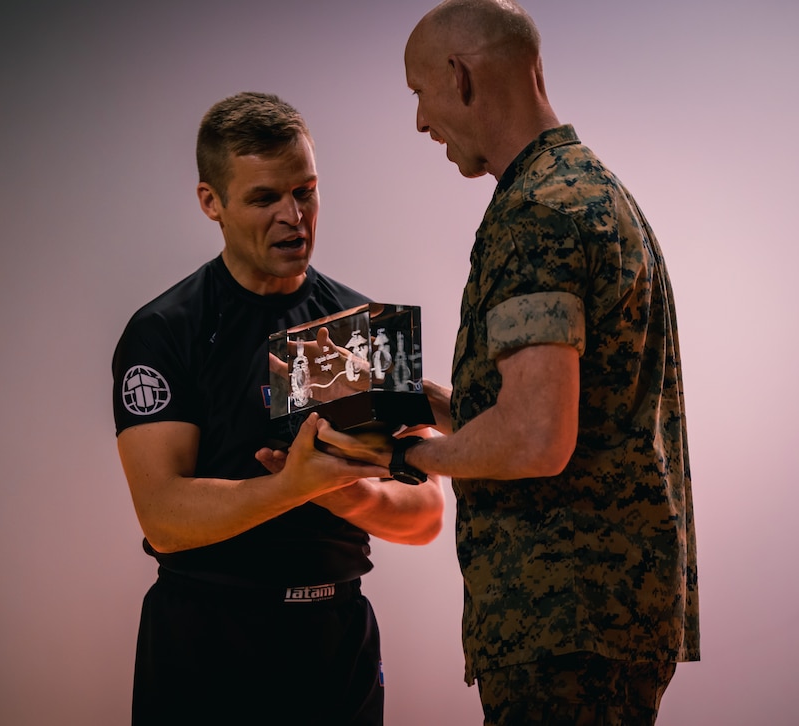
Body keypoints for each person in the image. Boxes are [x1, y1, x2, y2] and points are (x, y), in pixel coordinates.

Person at [316, 2, 699, 723]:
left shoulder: (535, 214)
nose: (420, 122)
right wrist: (427, 404)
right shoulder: (591, 190)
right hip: (606, 617)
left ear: (460, 78)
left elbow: (532, 440)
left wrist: (405, 461)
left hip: (561, 625)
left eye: (417, 92)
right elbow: (570, 419)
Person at [111, 91, 444, 726]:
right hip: (206, 638)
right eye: (265, 198)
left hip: (334, 636)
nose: (294, 216)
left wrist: (348, 497)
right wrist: (293, 487)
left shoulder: (357, 328)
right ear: (212, 202)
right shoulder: (166, 330)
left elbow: (426, 514)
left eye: (306, 192)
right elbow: (162, 518)